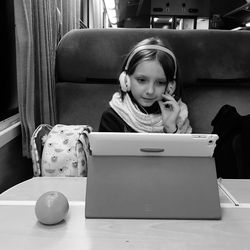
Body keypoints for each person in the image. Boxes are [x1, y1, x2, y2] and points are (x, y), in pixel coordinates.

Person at [99, 37, 192, 133]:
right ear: (126, 80)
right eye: (142, 80)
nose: (150, 91)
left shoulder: (179, 115)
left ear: (170, 87)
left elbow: (184, 148)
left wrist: (171, 128)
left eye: (160, 83)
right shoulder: (112, 117)